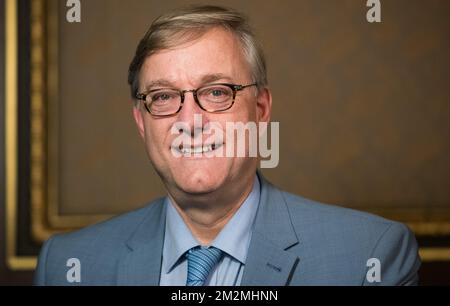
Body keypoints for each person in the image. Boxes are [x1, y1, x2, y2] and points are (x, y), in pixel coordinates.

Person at [34, 5, 420, 286]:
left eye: (217, 92)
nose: (190, 122)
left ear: (261, 109)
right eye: (164, 97)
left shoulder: (368, 256)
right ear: (142, 122)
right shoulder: (69, 265)